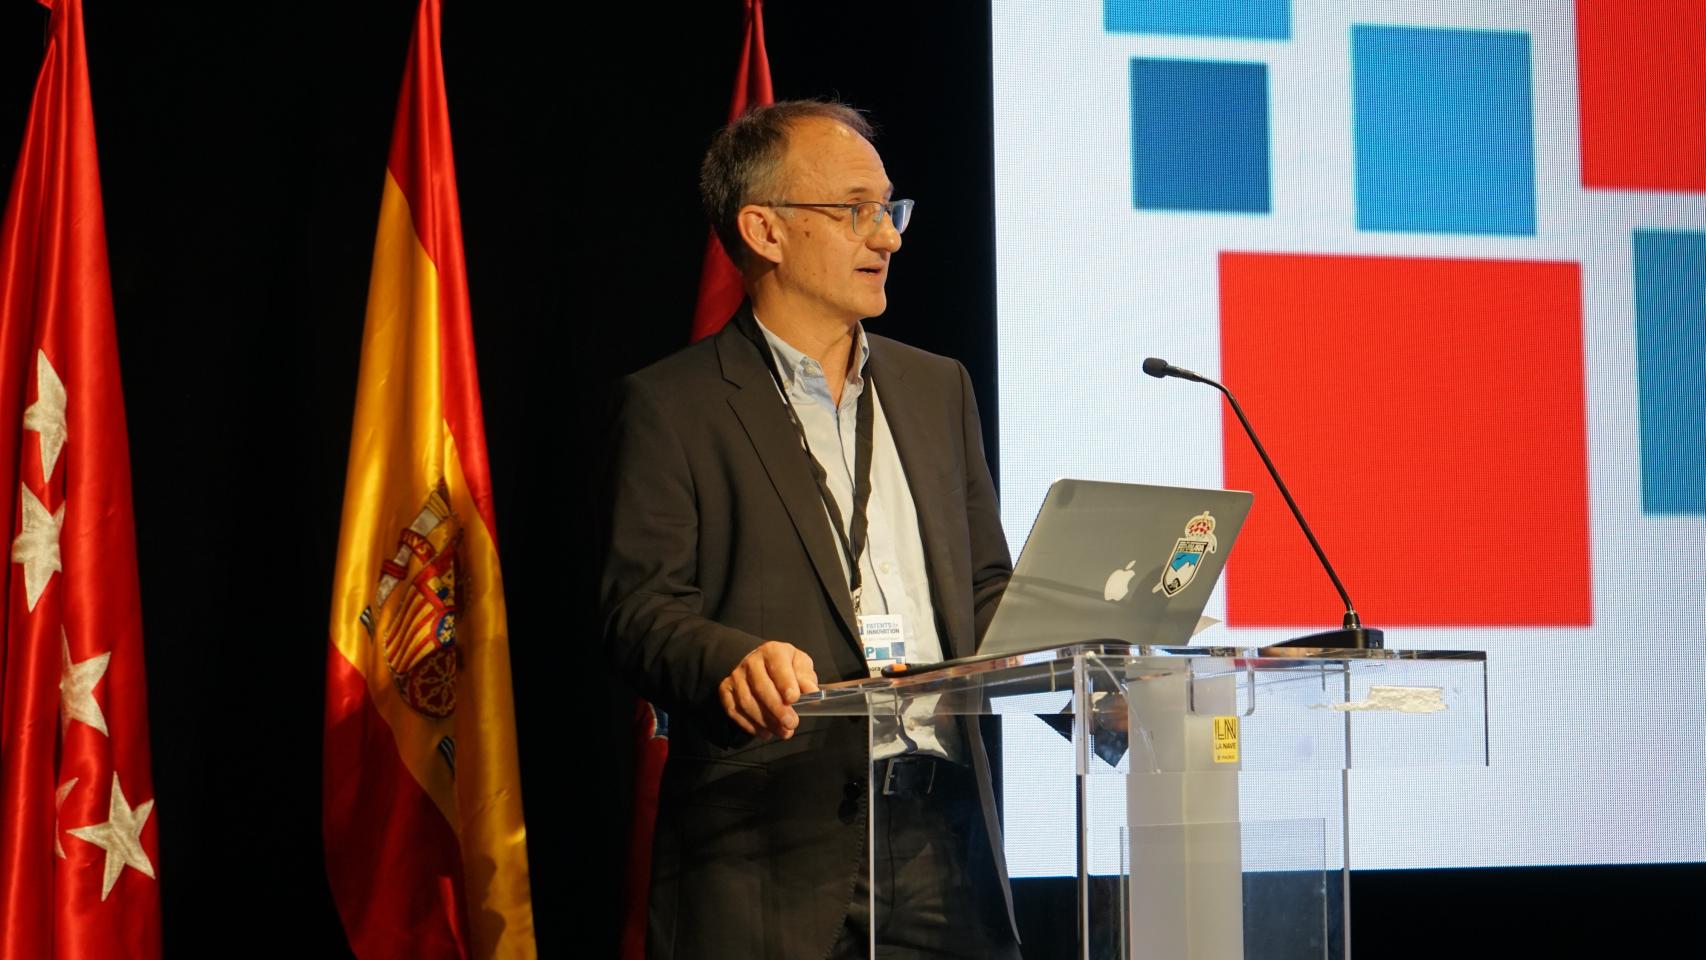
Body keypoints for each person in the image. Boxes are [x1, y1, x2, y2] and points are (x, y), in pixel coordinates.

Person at [602, 100, 1020, 959]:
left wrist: (1099, 655)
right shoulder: (674, 405)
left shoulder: (938, 388)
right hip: (767, 849)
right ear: (765, 230)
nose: (889, 237)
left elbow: (982, 589)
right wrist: (730, 660)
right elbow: (638, 611)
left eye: (891, 209)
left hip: (944, 838)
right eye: (856, 210)